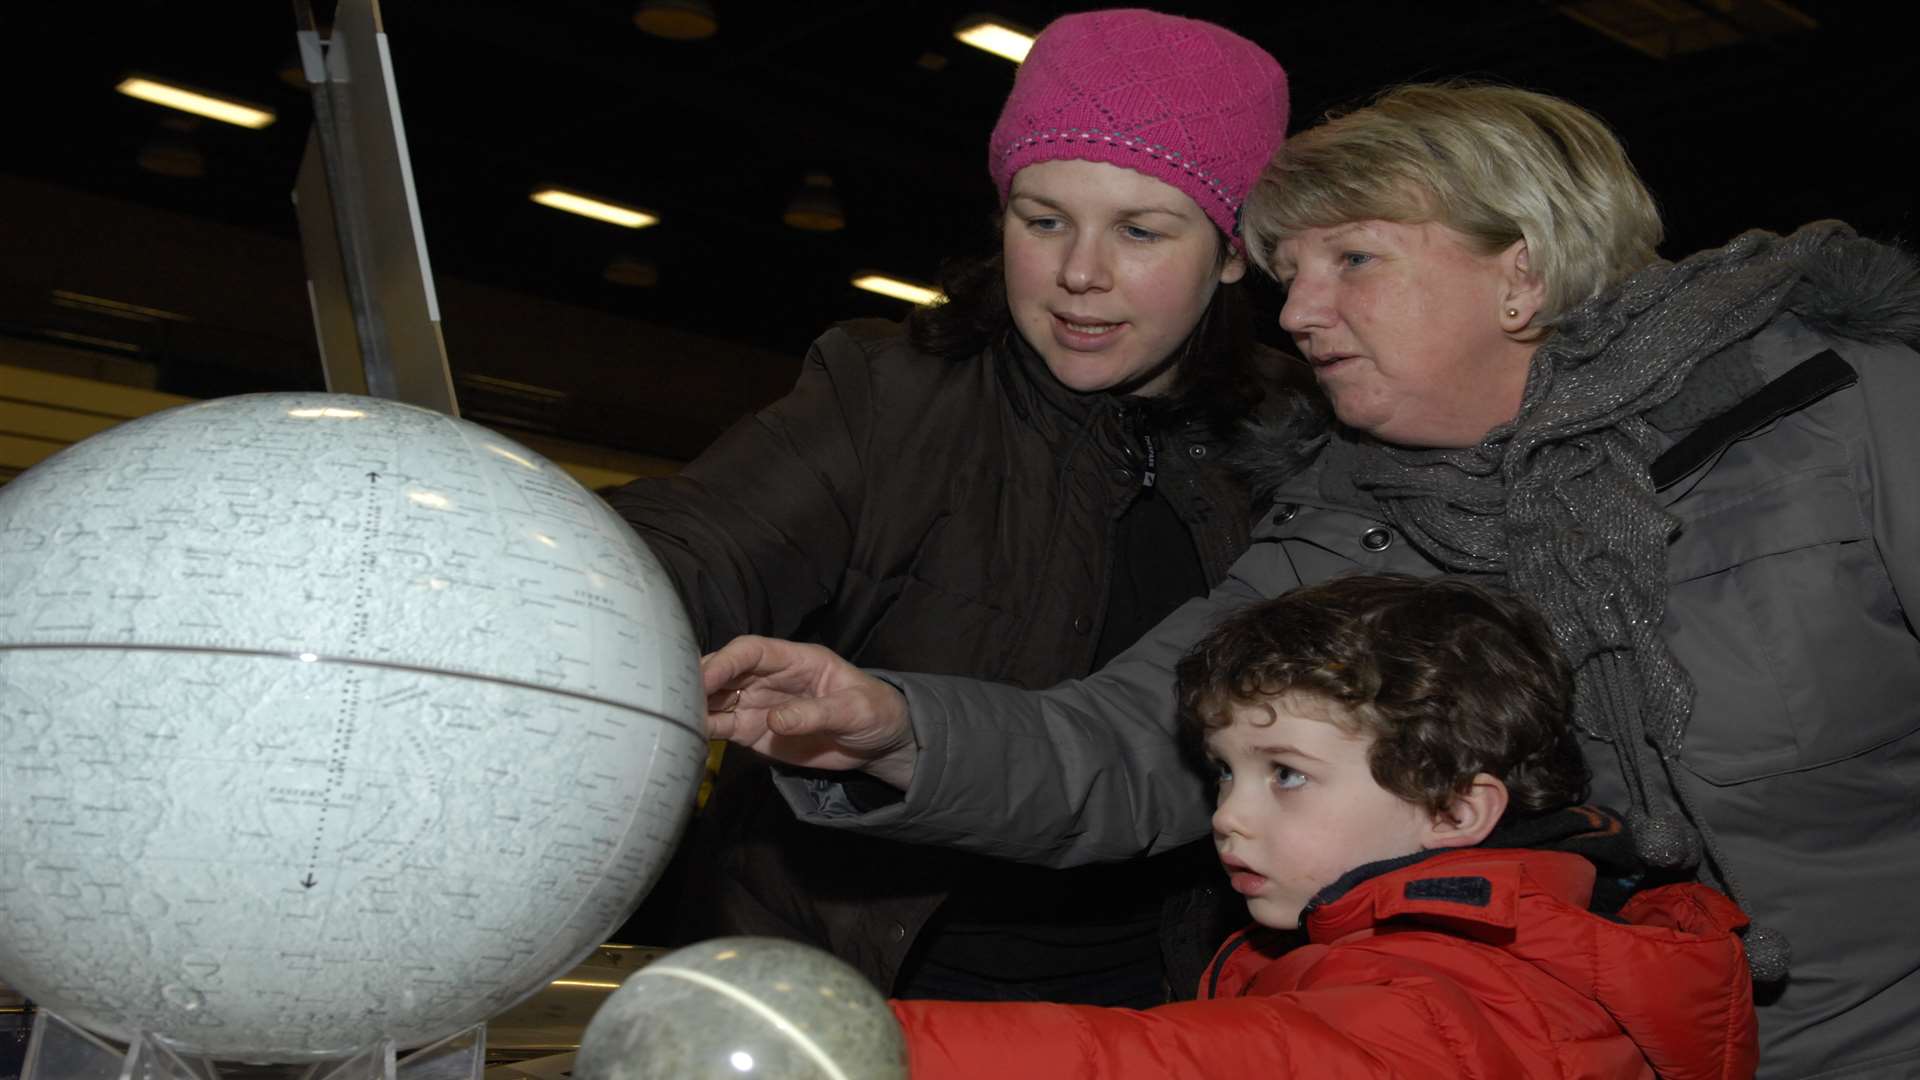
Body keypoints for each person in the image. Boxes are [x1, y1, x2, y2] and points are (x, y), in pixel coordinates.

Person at [705, 81, 1920, 1077]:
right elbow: (1136, 739)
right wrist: (894, 732)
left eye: (1354, 259)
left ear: (1524, 275)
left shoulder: (1839, 414)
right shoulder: (1355, 522)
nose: (1302, 313)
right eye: (1290, 271)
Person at [605, 9, 1293, 1006]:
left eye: (1141, 230)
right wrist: (566, 583)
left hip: (1158, 1003)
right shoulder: (888, 395)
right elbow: (704, 541)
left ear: (1233, 252)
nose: (1079, 273)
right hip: (849, 991)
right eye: (1042, 217)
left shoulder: (1304, 445)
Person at [889, 575, 1758, 1078]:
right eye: (1226, 771)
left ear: (1455, 809)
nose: (1227, 815)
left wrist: (838, 1043)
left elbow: (1151, 1066)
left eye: (1288, 775)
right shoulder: (1484, 947)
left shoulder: (1451, 1013)